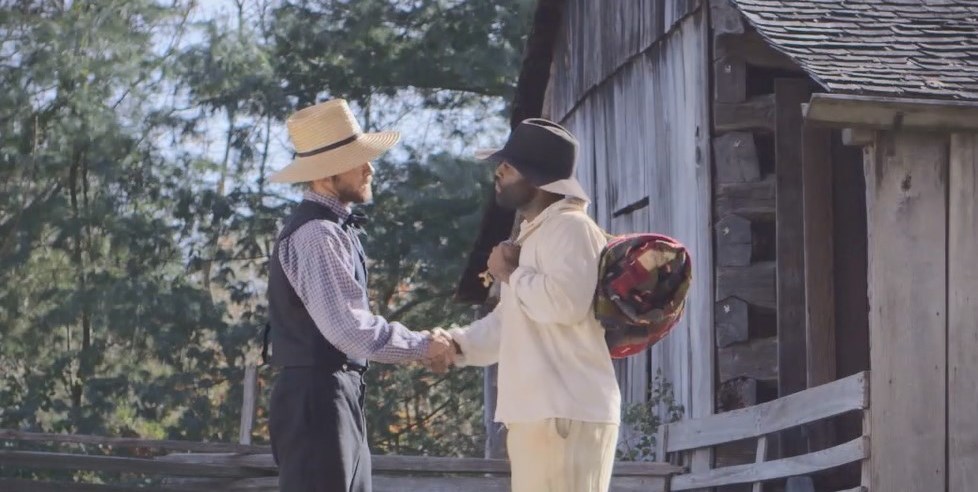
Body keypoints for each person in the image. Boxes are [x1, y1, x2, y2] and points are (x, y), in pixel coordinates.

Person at [262, 98, 453, 492]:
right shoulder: (318, 233)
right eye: (357, 159)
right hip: (319, 397)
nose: (369, 168)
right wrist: (423, 346)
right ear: (327, 172)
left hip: (330, 394)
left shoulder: (331, 229)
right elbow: (350, 330)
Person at [431, 118, 622, 492]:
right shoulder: (537, 234)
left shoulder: (571, 228)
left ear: (537, 177)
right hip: (543, 415)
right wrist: (454, 345)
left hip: (563, 413)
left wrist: (510, 274)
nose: (499, 171)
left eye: (510, 165)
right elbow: (508, 324)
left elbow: (563, 305)